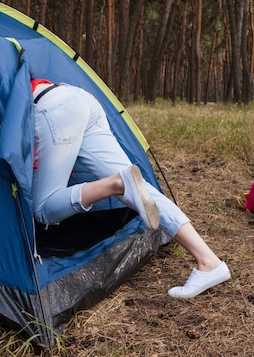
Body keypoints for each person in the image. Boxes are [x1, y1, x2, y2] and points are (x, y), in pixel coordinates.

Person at [31, 79, 231, 299]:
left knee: (43, 209)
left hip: (54, 109)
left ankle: (115, 183)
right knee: (139, 189)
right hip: (79, 98)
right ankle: (208, 260)